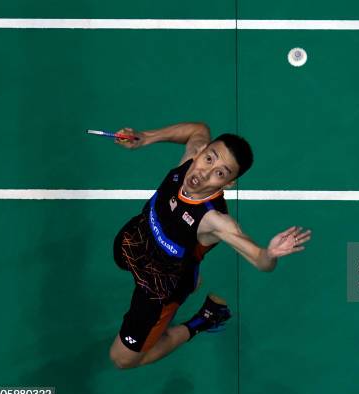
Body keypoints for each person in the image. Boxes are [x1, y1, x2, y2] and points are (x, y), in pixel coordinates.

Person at [108, 122, 311, 369]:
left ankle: (203, 320)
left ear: (228, 185)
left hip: (159, 285)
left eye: (220, 173)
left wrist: (270, 253)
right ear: (202, 151)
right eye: (208, 159)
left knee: (122, 359)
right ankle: (192, 280)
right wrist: (146, 137)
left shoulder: (214, 221)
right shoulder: (190, 159)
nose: (204, 172)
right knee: (119, 257)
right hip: (135, 240)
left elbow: (260, 260)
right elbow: (198, 130)